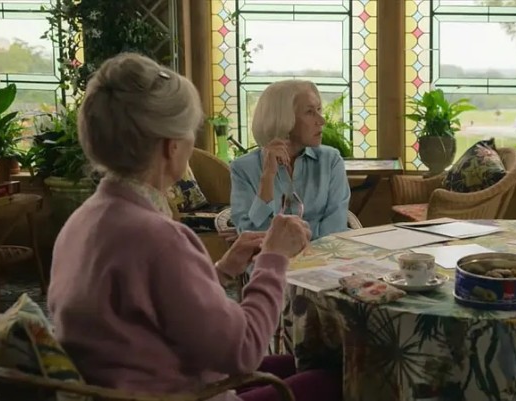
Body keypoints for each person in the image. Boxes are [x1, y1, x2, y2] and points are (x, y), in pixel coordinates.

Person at [47, 53, 340, 401]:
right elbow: (244, 350)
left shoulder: (82, 221)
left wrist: (224, 269)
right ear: (171, 147)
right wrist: (272, 259)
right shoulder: (159, 238)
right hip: (182, 393)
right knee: (336, 378)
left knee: (308, 363)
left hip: (145, 382)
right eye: (190, 131)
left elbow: (161, 306)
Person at [230, 79, 350, 240]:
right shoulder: (243, 168)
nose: (322, 121)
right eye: (309, 112)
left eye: (319, 110)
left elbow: (336, 228)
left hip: (324, 254)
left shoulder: (331, 160)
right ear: (283, 118)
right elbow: (250, 234)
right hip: (269, 256)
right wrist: (267, 177)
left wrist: (282, 237)